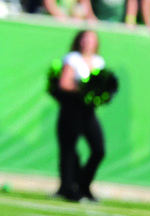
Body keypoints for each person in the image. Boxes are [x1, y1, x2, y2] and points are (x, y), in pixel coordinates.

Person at [54, 30, 107, 202]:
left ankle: (83, 185)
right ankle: (67, 188)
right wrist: (83, 89)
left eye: (92, 39)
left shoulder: (99, 62)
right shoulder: (73, 59)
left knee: (98, 150)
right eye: (85, 39)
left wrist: (100, 93)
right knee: (69, 149)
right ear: (79, 41)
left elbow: (102, 86)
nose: (88, 43)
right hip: (72, 109)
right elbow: (64, 83)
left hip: (88, 111)